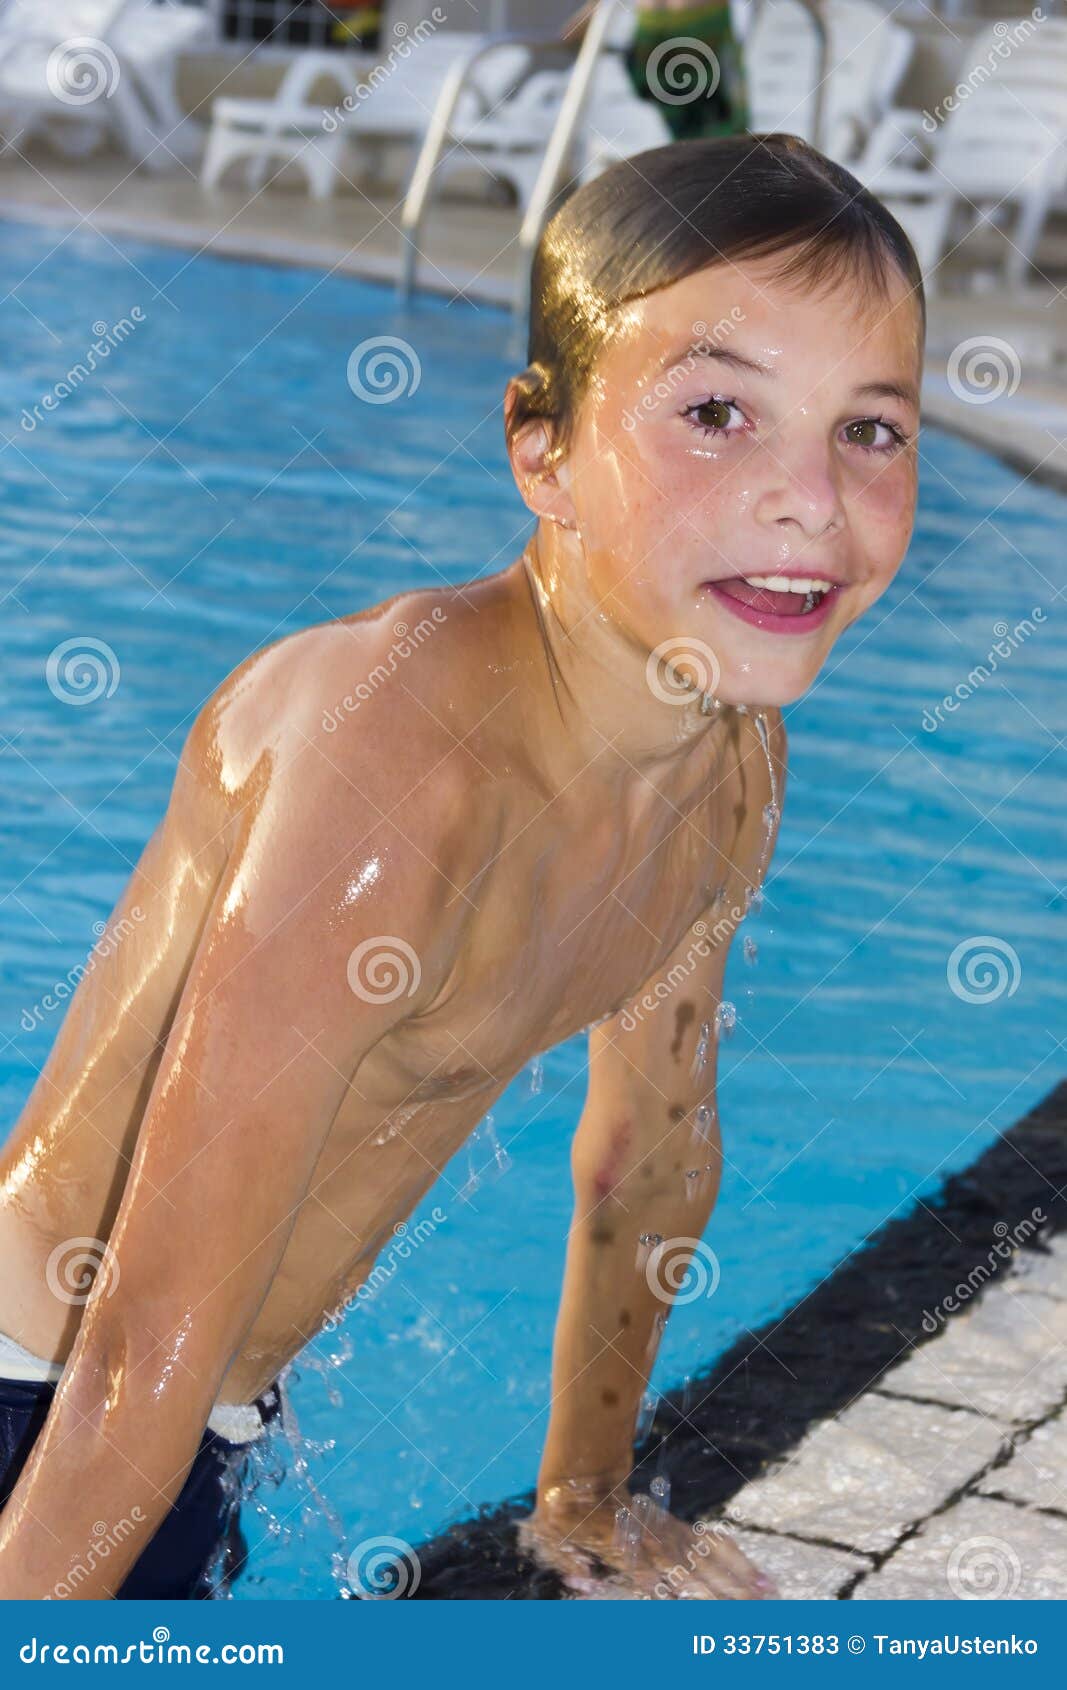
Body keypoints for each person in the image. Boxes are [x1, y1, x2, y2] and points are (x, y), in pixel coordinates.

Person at [0, 131, 923, 1601]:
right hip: (47, 1407)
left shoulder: (722, 771)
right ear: (539, 448)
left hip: (192, 1422)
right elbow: (126, 1359)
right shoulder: (392, 785)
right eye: (713, 413)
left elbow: (651, 1151)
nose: (807, 495)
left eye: (867, 429)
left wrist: (584, 1502)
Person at [563, 0, 749, 138]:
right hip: (700, 19)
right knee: (725, 122)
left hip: (651, 21)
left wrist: (588, 15)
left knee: (679, 125)